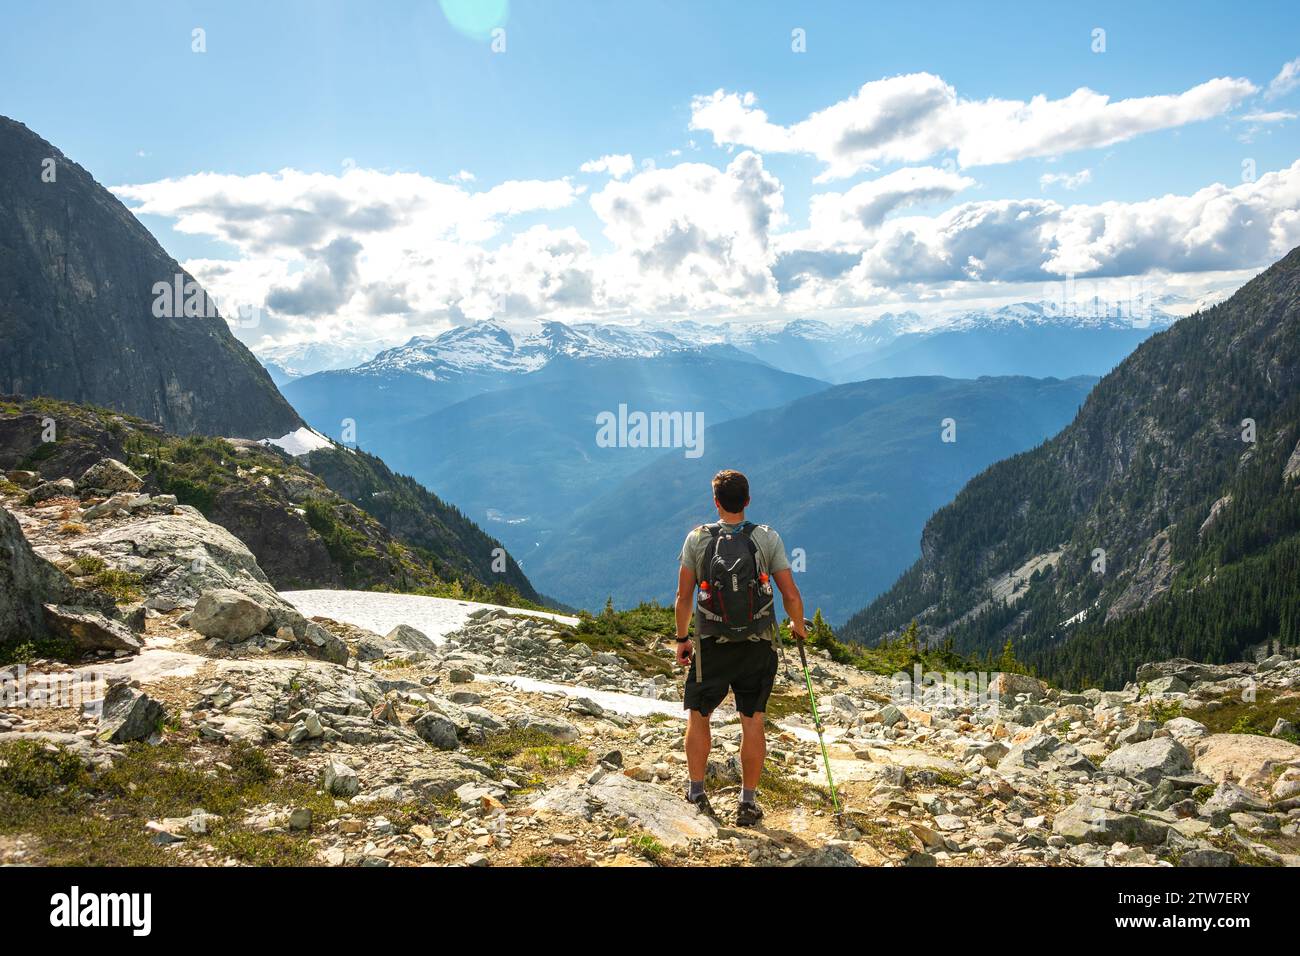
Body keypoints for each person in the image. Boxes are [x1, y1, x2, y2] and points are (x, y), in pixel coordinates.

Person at [673, 468, 806, 827]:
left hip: (711, 647)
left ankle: (697, 792)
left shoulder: (697, 539)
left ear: (716, 502)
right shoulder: (766, 538)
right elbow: (789, 593)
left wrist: (683, 638)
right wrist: (797, 625)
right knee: (753, 721)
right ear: (747, 501)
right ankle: (747, 803)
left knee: (699, 716)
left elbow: (684, 596)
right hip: (757, 646)